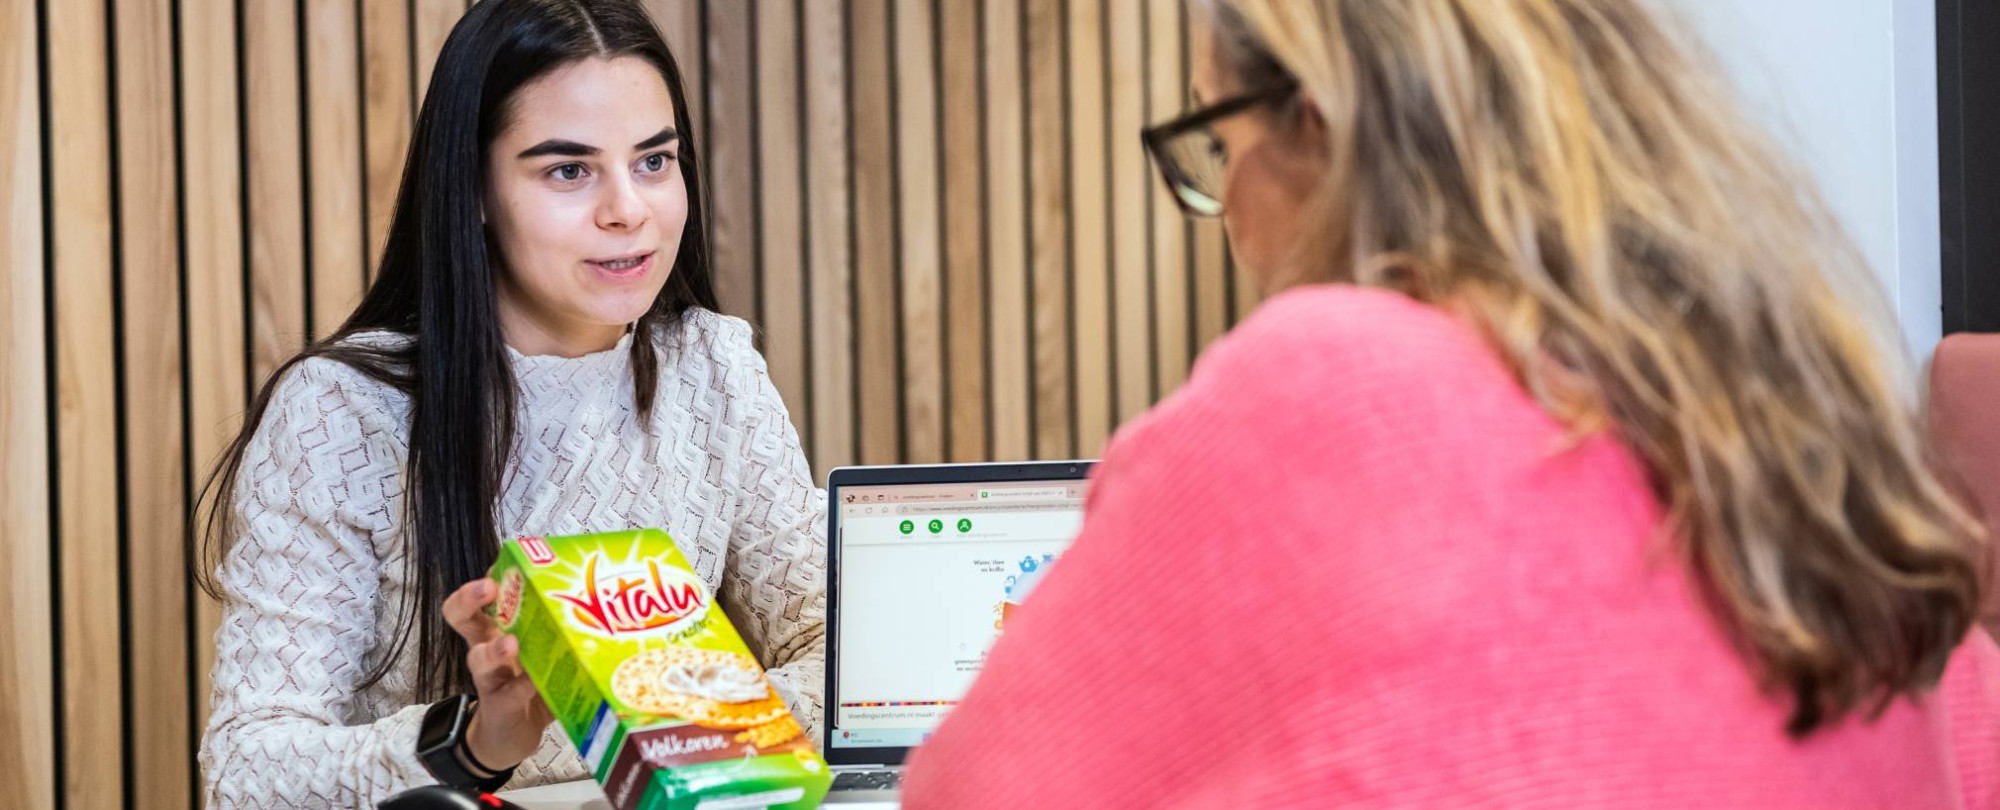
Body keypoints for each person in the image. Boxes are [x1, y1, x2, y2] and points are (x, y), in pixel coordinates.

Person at [902, 0, 2000, 806]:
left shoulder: (1326, 386)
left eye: (1214, 143)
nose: (1222, 213)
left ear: (1317, 125)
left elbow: (967, 793)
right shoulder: (1800, 397)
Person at [194, 1, 825, 806]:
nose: (628, 208)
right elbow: (247, 773)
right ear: (477, 190)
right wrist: (477, 740)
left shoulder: (713, 365)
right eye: (569, 170)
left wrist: (680, 721)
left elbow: (841, 657)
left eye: (655, 162)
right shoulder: (341, 412)